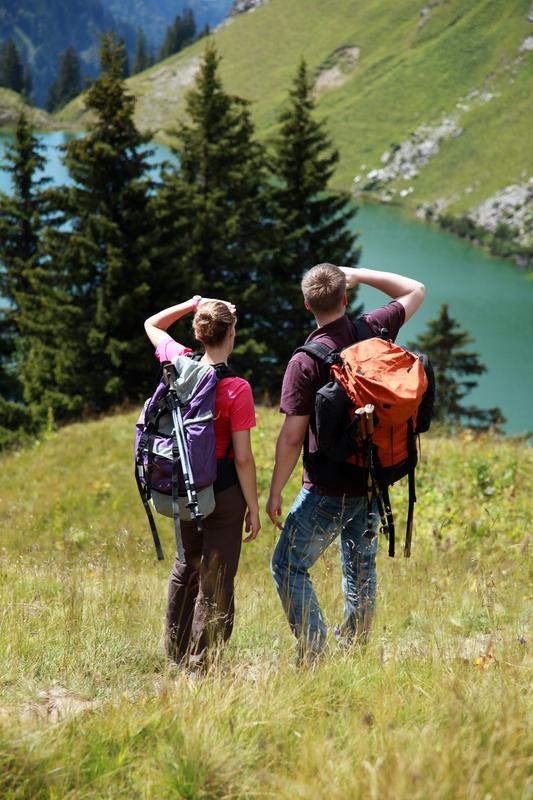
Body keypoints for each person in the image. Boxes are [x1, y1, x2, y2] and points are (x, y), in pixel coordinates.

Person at [266, 264, 425, 664]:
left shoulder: (305, 362)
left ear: (307, 305)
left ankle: (315, 651)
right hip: (373, 480)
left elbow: (291, 436)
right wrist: (358, 272)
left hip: (326, 489)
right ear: (346, 297)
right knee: (360, 569)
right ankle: (354, 647)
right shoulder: (373, 328)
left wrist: (274, 493)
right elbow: (415, 289)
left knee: (287, 565)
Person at [144, 295, 260, 672]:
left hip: (184, 486)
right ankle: (201, 665)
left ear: (198, 333)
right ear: (232, 334)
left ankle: (176, 654)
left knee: (186, 565)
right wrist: (254, 508)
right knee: (217, 579)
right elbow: (242, 457)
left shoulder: (178, 363)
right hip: (223, 494)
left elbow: (152, 325)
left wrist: (192, 303)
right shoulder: (237, 388)